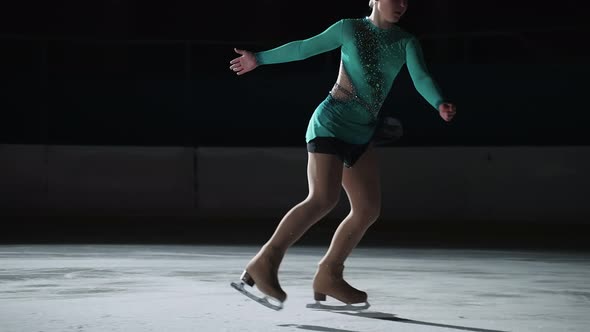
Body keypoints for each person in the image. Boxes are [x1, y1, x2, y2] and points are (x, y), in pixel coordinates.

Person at [229, 0, 457, 309]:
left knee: (366, 209)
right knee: (323, 198)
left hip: (361, 133)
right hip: (330, 124)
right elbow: (303, 49)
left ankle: (329, 275)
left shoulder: (405, 41)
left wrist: (438, 101)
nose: (401, 5)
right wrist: (259, 59)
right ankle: (264, 262)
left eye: (407, 0)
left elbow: (421, 78)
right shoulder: (350, 28)